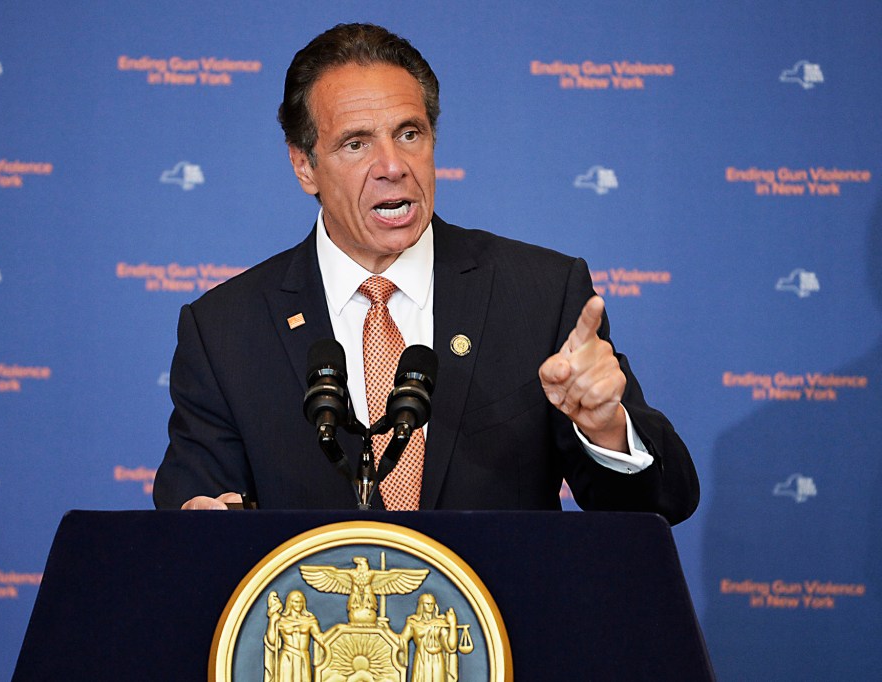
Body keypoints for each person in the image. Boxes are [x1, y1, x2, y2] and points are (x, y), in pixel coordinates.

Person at [153, 23, 699, 523]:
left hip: (496, 628)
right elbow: (196, 504)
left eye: (409, 133)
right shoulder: (225, 330)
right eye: (356, 142)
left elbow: (660, 507)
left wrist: (604, 429)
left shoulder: (539, 296)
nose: (393, 166)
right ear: (304, 165)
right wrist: (202, 522)